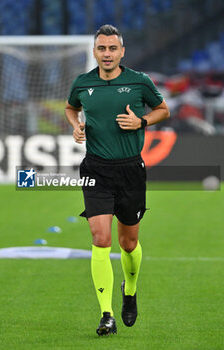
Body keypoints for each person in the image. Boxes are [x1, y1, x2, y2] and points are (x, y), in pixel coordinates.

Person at [65, 24, 170, 336]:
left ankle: (130, 289)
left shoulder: (139, 81)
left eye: (112, 48)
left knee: (129, 242)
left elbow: (162, 109)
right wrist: (76, 125)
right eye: (101, 48)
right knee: (100, 239)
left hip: (130, 170)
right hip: (96, 169)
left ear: (122, 52)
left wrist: (142, 120)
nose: (107, 53)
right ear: (95, 51)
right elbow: (72, 108)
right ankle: (106, 315)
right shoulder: (83, 83)